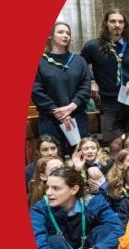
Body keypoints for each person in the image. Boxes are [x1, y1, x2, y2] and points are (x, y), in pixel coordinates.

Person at [81, 9, 129, 141]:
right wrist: (91, 81)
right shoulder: (93, 46)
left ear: (125, 24)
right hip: (109, 101)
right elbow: (80, 65)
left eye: (120, 21)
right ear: (106, 23)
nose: (117, 25)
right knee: (115, 145)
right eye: (113, 21)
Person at [32, 22, 91, 152]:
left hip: (76, 116)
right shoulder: (40, 61)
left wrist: (71, 107)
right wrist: (57, 112)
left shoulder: (78, 61)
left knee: (79, 156)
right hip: (50, 118)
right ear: (50, 35)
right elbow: (36, 91)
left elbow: (86, 87)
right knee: (52, 159)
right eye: (60, 32)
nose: (65, 36)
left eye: (68, 33)